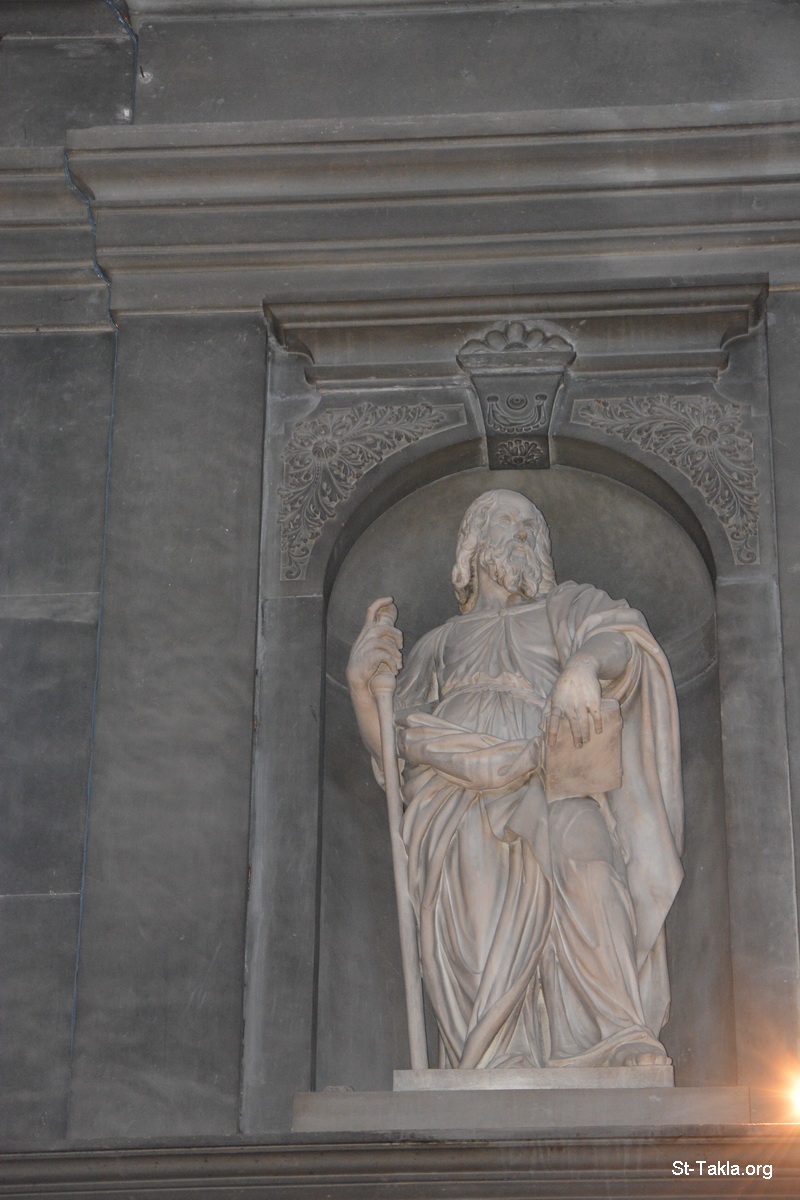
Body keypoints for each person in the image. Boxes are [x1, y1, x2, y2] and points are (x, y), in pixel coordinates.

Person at [347, 489, 683, 1071]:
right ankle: (499, 1055)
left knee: (588, 859)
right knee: (477, 884)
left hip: (550, 771)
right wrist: (359, 687)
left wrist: (583, 666)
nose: (525, 530)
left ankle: (616, 1033)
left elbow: (623, 642)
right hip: (453, 789)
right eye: (509, 519)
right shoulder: (438, 643)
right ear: (473, 544)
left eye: (534, 524)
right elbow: (395, 749)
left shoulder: (566, 608)